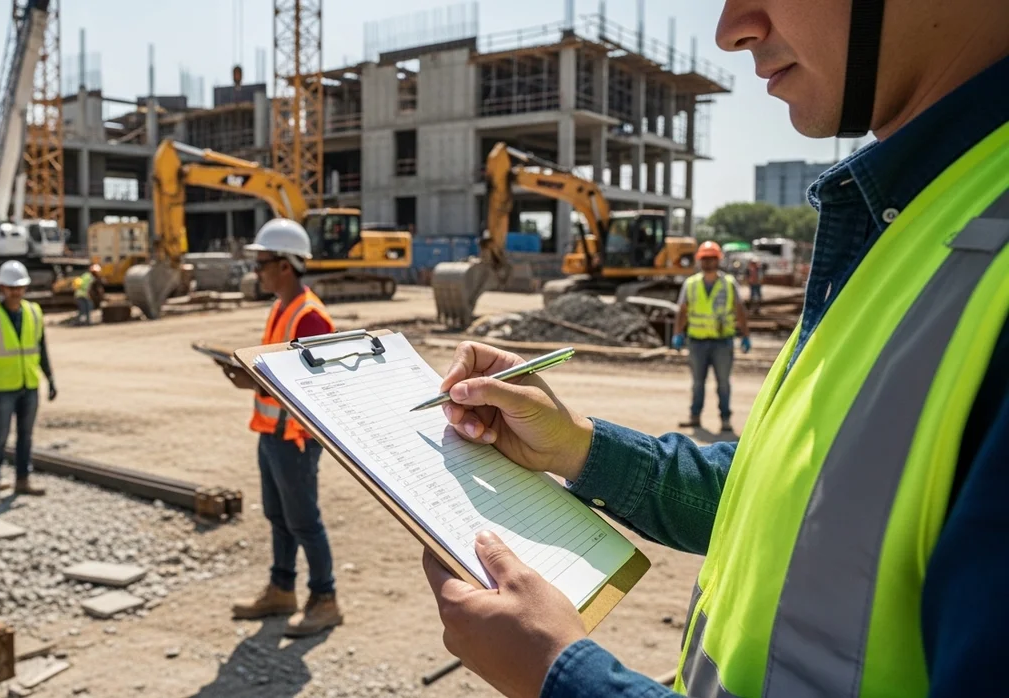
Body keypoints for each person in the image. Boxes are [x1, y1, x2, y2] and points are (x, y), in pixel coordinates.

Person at [420, 1, 1009, 696]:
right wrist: (578, 446)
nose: (732, 29)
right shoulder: (921, 216)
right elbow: (801, 492)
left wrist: (562, 677)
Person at [223, 218, 344, 638]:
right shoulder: (283, 307)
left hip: (295, 438)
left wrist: (252, 380)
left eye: (262, 264)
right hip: (272, 433)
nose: (257, 271)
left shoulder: (310, 317)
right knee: (278, 516)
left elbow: (311, 388)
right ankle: (282, 589)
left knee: (304, 520)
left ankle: (325, 599)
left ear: (286, 266)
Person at [0, 260, 56, 513]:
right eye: (11, 288)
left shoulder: (33, 312)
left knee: (26, 436)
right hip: (2, 389)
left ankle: (22, 480)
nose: (16, 292)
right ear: (1, 287)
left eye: (19, 287)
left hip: (28, 384)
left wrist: (50, 378)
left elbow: (41, 348)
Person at [671, 241, 751, 433]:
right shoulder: (691, 284)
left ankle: (725, 420)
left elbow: (740, 310)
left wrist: (745, 335)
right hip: (697, 342)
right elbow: (682, 311)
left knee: (723, 383)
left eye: (712, 258)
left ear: (718, 260)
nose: (708, 262)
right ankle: (695, 417)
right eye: (705, 259)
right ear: (700, 260)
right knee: (698, 383)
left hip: (722, 342)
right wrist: (678, 334)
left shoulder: (729, 283)